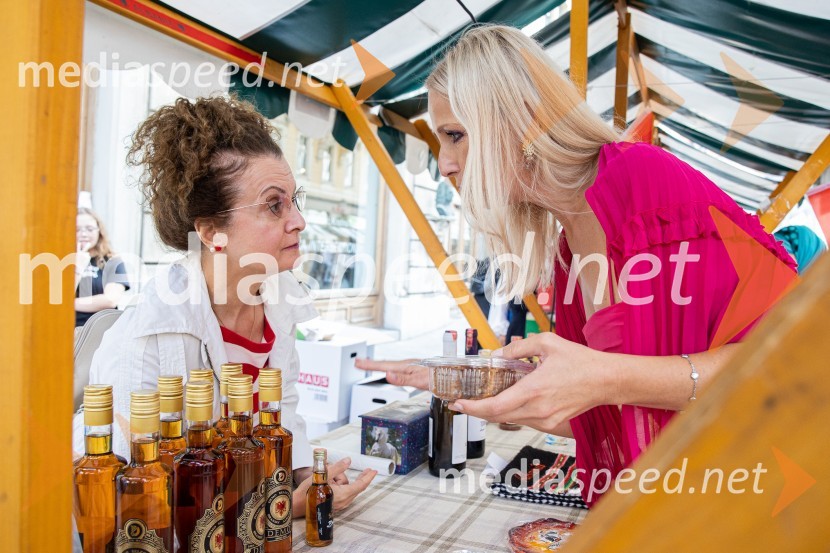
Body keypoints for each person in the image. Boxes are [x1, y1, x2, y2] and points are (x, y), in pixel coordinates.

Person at [357, 25, 797, 506]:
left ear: (518, 120)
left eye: (456, 135)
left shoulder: (639, 180)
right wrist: (470, 385)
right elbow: (597, 413)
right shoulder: (567, 250)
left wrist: (606, 377)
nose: (446, 163)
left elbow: (792, 358)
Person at [71, 96, 375, 515]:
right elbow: (136, 505)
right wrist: (283, 505)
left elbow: (282, 412)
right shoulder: (144, 340)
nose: (300, 220)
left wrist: (306, 476)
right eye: (274, 204)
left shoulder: (279, 306)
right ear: (213, 233)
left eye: (294, 199)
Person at [74, 207, 129, 327]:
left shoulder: (112, 261)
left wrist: (68, 304)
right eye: (77, 229)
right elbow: (57, 297)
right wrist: (77, 267)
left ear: (99, 231)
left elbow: (110, 300)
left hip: (101, 332)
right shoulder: (61, 260)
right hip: (66, 332)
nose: (83, 234)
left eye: (89, 229)